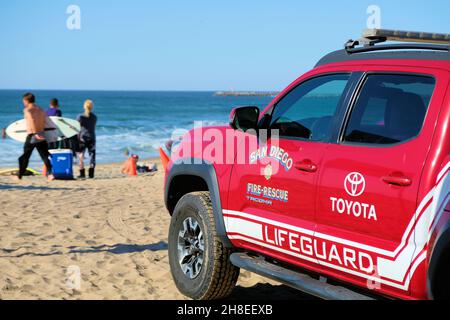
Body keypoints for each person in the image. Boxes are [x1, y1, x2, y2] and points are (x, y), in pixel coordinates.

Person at [13, 93, 54, 181]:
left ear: (26, 100)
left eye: (23, 101)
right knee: (45, 156)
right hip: (42, 134)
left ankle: (20, 175)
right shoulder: (41, 109)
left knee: (24, 157)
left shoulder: (27, 110)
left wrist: (35, 133)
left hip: (33, 135)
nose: (23, 102)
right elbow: (45, 122)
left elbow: (31, 120)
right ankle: (50, 174)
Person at [77, 100, 97, 179]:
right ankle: (91, 173)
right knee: (92, 155)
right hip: (92, 137)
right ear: (92, 107)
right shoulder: (94, 117)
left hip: (83, 138)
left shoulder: (80, 116)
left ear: (84, 106)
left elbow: (77, 128)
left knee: (81, 155)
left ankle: (82, 173)